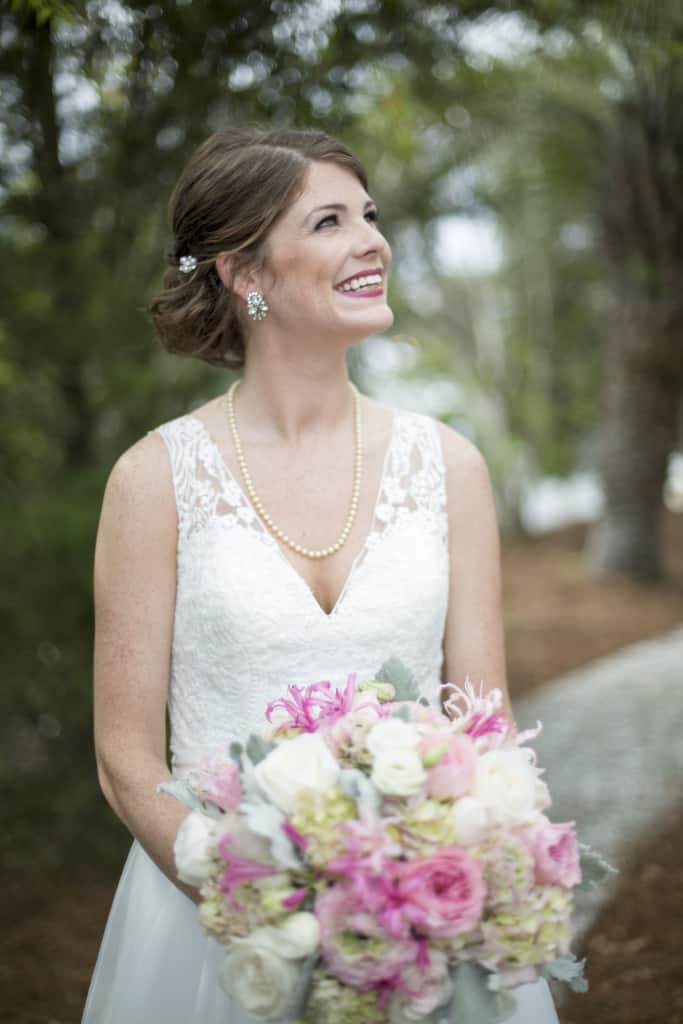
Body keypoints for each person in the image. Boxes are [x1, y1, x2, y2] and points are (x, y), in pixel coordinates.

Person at [83, 126, 559, 1023]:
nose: (371, 241)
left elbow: (481, 725)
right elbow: (123, 757)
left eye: (369, 217)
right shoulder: (154, 480)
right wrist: (256, 901)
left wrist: (431, 884)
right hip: (210, 933)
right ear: (244, 273)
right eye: (330, 221)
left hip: (422, 925)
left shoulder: (448, 466)